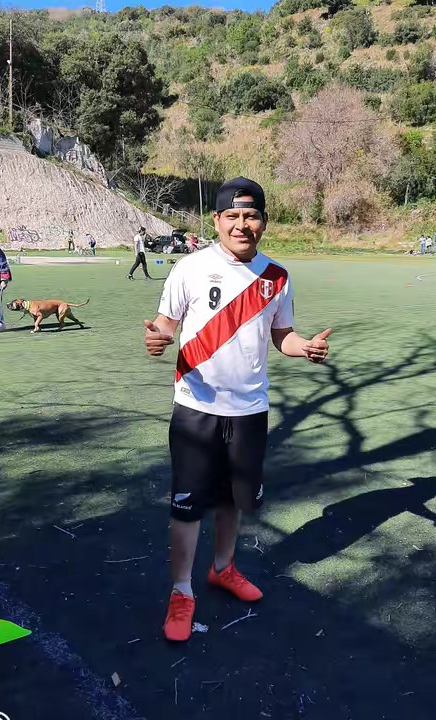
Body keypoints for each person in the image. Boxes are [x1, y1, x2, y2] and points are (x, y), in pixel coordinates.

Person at [143, 177, 331, 642]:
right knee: (187, 506)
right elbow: (165, 324)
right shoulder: (189, 268)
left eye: (251, 216)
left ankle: (223, 568)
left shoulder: (277, 277)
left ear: (264, 222)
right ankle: (181, 590)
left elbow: (282, 336)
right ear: (217, 220)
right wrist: (158, 338)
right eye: (233, 216)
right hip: (196, 408)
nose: (241, 225)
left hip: (249, 409)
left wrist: (303, 346)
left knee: (232, 499)